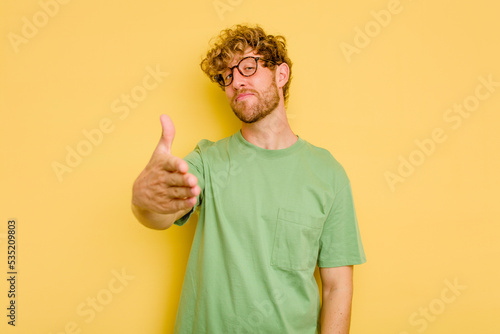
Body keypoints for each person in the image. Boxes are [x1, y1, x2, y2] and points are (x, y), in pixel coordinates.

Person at [131, 24, 366, 334]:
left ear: (280, 75)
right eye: (226, 77)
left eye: (247, 67)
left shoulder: (328, 173)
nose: (236, 82)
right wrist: (143, 199)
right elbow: (159, 214)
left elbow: (337, 287)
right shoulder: (207, 161)